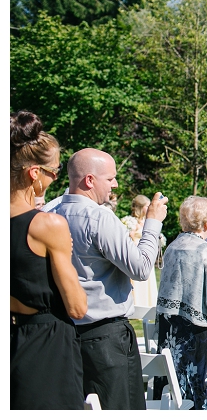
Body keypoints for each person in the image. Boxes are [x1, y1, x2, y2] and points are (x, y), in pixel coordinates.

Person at [50, 148, 168, 410]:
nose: (115, 184)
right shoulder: (99, 217)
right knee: (120, 407)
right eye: (111, 178)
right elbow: (140, 268)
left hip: (64, 334)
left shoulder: (50, 211)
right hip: (106, 338)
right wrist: (153, 223)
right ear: (89, 180)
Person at [10, 111, 87, 409]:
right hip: (48, 343)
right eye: (53, 173)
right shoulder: (47, 226)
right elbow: (77, 306)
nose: (56, 180)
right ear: (34, 174)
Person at [154, 196, 207, 409]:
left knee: (174, 381)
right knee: (201, 386)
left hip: (171, 328)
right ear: (206, 224)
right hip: (197, 333)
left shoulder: (173, 246)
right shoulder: (206, 250)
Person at [121, 194, 164, 307]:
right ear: (141, 207)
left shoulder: (149, 222)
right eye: (147, 206)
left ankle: (147, 303)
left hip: (147, 255)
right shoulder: (130, 221)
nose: (149, 208)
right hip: (135, 254)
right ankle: (136, 304)